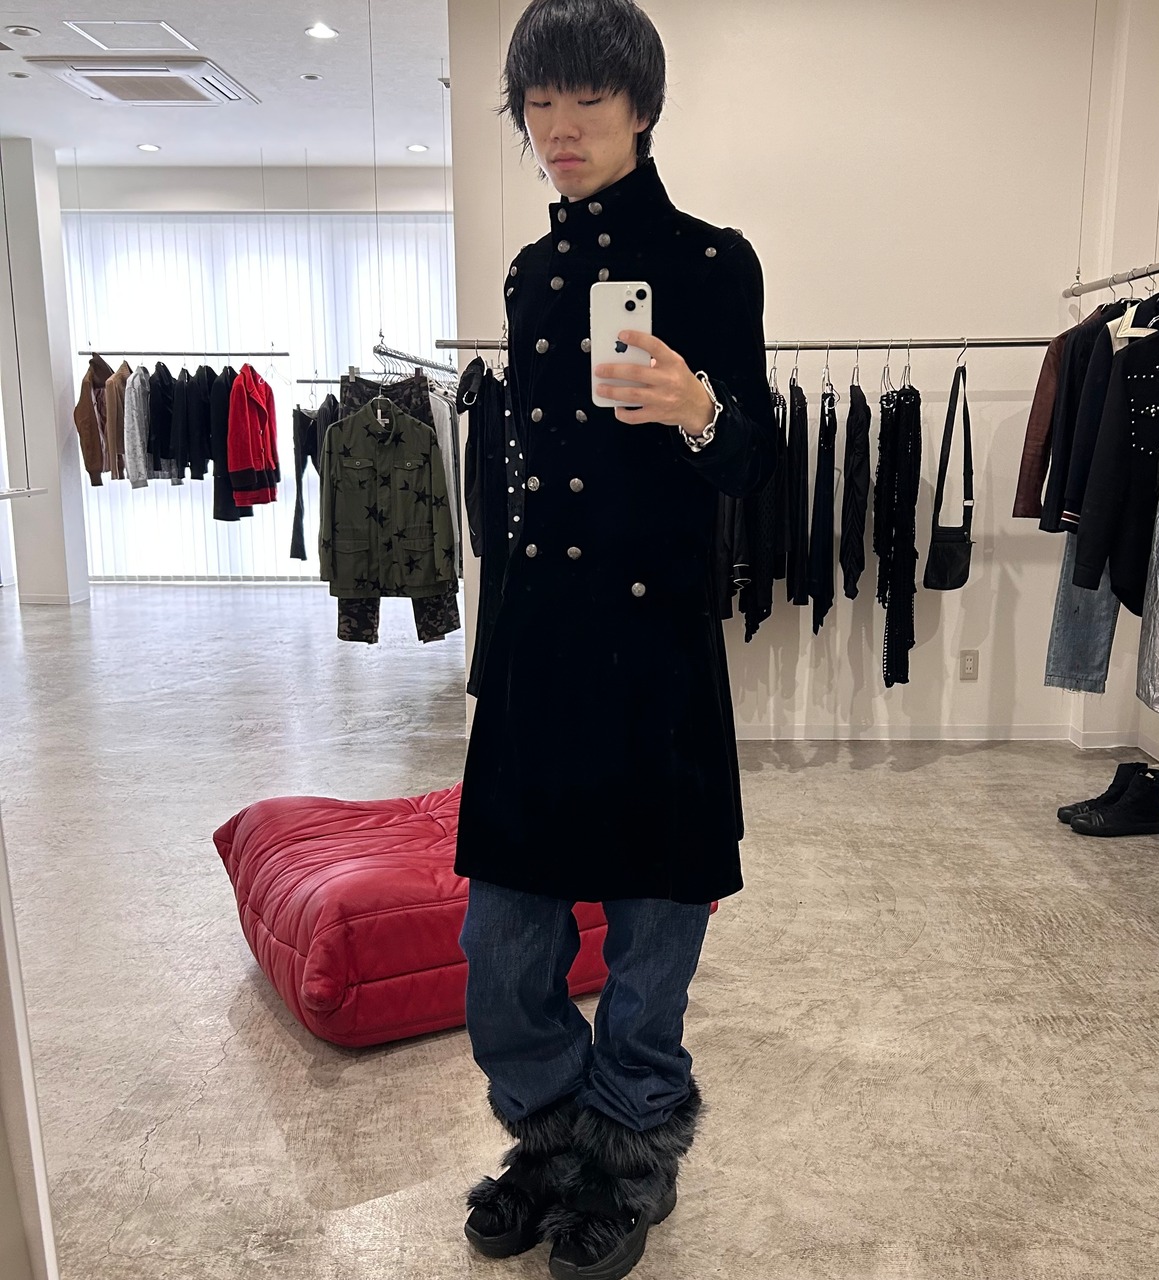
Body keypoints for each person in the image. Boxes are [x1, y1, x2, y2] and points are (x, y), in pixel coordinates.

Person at [454, 2, 774, 1276]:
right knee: (502, 934)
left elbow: (753, 460)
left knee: (651, 926)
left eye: (585, 100)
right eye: (538, 104)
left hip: (653, 645)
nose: (559, 128)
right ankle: (548, 1136)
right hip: (539, 638)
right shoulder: (530, 274)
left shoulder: (712, 261)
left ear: (641, 108)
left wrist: (698, 407)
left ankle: (630, 1150)